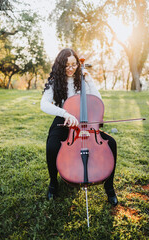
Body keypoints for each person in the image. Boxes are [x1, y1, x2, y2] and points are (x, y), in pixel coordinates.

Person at [40, 48, 118, 206]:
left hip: (85, 123)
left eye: (74, 65)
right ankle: (53, 183)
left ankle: (109, 187)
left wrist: (89, 80)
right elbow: (44, 104)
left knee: (111, 143)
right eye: (67, 66)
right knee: (52, 147)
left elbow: (97, 101)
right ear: (60, 66)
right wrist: (65, 113)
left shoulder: (82, 79)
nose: (71, 68)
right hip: (64, 120)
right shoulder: (55, 81)